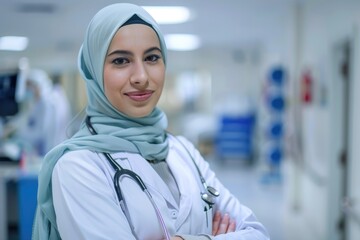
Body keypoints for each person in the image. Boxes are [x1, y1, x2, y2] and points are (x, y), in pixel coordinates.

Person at [32, 3, 270, 240]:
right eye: (121, 61)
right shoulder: (77, 167)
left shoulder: (182, 149)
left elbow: (257, 233)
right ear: (93, 71)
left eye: (152, 57)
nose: (141, 77)